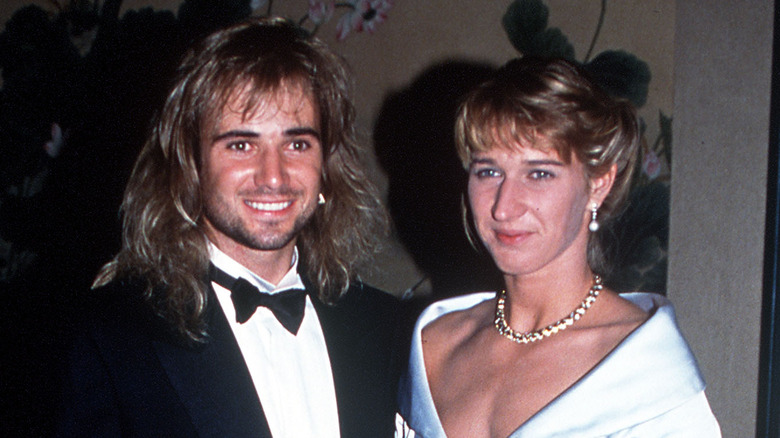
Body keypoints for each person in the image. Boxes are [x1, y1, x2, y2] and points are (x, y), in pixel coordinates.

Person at [56, 17, 402, 438]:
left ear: (326, 163)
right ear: (191, 164)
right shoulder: (112, 338)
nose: (273, 176)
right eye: (241, 144)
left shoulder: (385, 329)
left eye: (297, 144)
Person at [396, 57, 721, 437]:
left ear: (598, 183)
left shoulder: (642, 367)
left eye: (539, 173)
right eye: (488, 171)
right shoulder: (434, 345)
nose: (504, 206)